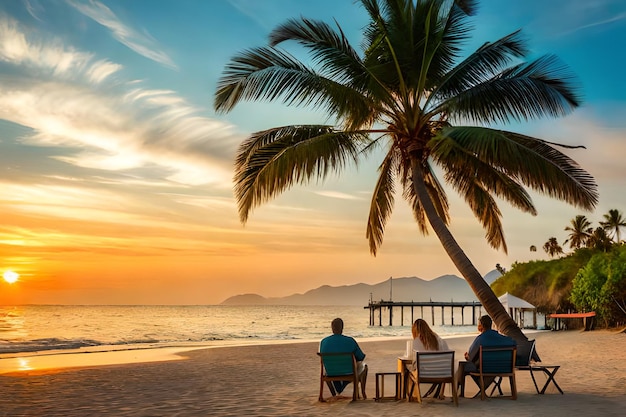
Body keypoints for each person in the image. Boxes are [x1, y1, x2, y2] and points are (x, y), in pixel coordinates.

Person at [458, 315, 516, 395]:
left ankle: (460, 394)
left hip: (485, 368)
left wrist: (467, 357)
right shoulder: (506, 340)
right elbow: (514, 344)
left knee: (462, 365)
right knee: (484, 363)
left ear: (481, 325)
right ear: (491, 324)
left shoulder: (480, 339)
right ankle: (483, 386)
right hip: (504, 367)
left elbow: (470, 357)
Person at [319, 317, 366, 395]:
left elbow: (323, 360)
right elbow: (361, 357)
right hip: (349, 372)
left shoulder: (324, 342)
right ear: (342, 328)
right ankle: (362, 393)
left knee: (327, 370)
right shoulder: (350, 341)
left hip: (331, 372)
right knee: (364, 366)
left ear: (332, 328)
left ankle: (334, 394)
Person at [409, 318, 450, 399]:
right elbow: (447, 357)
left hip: (424, 374)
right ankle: (440, 393)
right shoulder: (437, 339)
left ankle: (413, 396)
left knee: (409, 371)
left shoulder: (417, 341)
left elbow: (414, 361)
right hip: (442, 373)